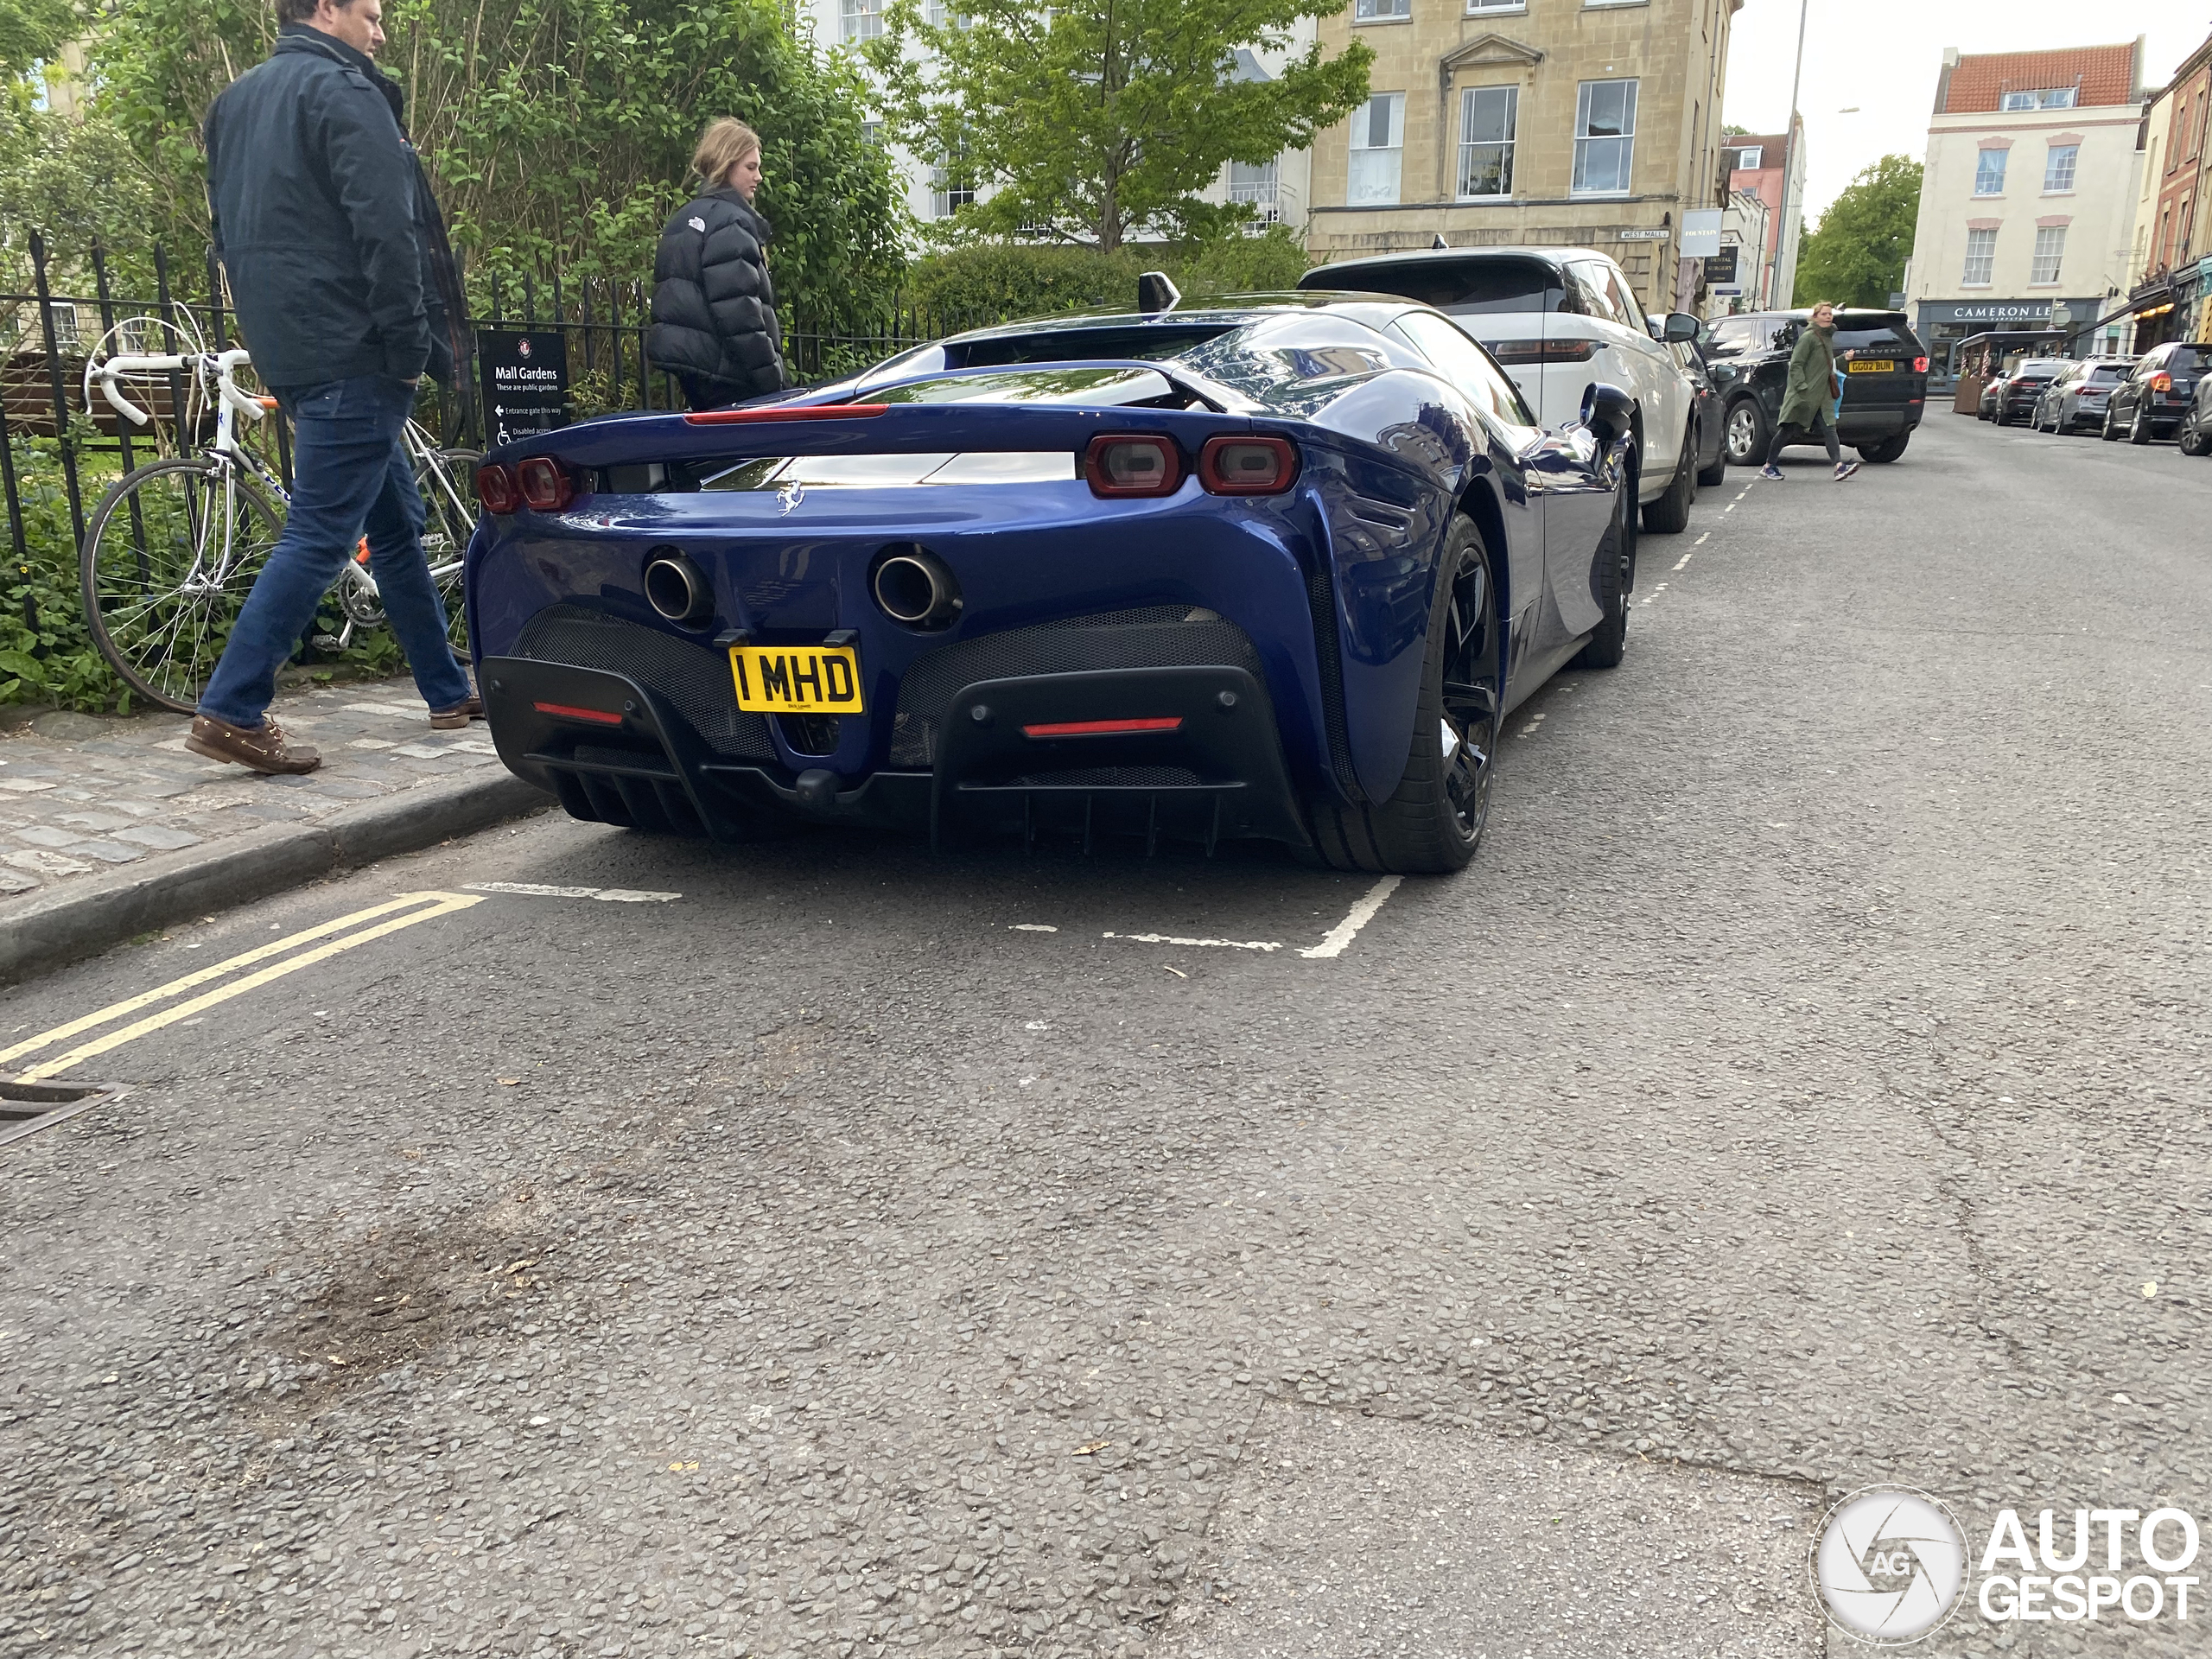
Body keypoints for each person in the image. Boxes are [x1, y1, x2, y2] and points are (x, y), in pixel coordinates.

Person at [191, 0, 476, 775]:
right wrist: (410, 346)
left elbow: (227, 233)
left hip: (292, 343)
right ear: (326, 9)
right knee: (320, 531)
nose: (380, 34)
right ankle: (233, 706)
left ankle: (447, 691)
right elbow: (388, 230)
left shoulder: (234, 103)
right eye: (371, 15)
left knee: (392, 522)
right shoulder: (345, 93)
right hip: (357, 346)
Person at [648, 118, 788, 412]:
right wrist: (775, 386)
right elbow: (740, 312)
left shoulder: (683, 219)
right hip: (733, 380)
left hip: (697, 375)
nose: (759, 177)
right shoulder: (731, 222)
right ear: (726, 165)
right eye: (751, 167)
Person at [1758, 301, 1861, 482]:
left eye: (1830, 314)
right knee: (1788, 431)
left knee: (1830, 428)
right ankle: (1768, 466)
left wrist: (1844, 358)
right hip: (1805, 396)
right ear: (1815, 317)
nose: (1828, 316)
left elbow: (1825, 365)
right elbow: (1796, 365)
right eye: (1824, 314)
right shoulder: (1809, 338)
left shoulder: (1827, 337)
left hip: (1823, 395)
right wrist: (1802, 388)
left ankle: (1839, 467)